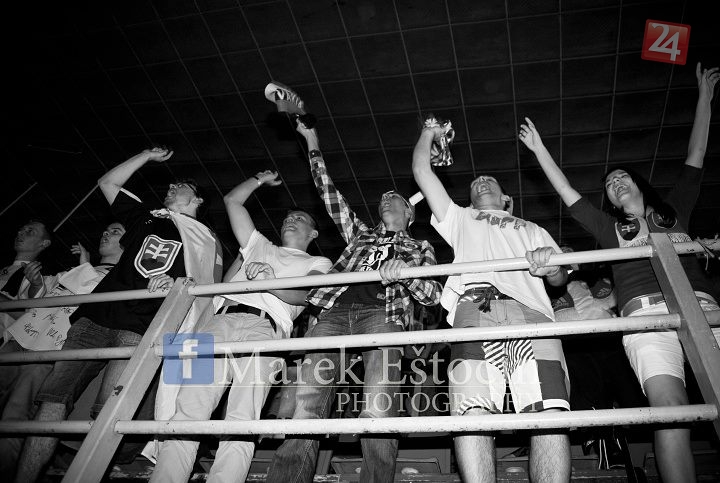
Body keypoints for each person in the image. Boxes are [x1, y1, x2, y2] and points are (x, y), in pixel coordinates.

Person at [519, 62, 719, 483]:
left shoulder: (675, 211)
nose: (617, 182)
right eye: (610, 183)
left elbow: (696, 156)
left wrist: (705, 96)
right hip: (645, 317)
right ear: (609, 201)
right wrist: (538, 150)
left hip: (704, 310)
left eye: (623, 176)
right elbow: (568, 194)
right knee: (670, 411)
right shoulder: (608, 229)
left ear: (640, 184)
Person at [14, 147, 222, 483]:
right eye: (170, 185)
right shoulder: (148, 218)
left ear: (197, 199)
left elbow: (204, 291)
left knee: (109, 413)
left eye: (180, 186)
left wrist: (177, 285)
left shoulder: (205, 238)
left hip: (141, 327)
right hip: (96, 317)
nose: (170, 188)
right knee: (52, 401)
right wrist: (145, 156)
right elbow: (108, 183)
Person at [265, 114, 442, 483]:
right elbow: (327, 191)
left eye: (393, 198)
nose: (385, 200)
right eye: (382, 199)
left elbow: (433, 296)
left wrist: (406, 275)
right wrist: (312, 140)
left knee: (378, 407)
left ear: (409, 211)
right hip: (334, 314)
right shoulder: (361, 235)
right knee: (306, 406)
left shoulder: (420, 246)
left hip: (383, 315)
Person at [412, 121, 571, 483]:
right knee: (473, 414)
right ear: (469, 199)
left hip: (532, 313)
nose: (482, 181)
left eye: (490, 181)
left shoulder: (533, 229)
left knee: (549, 413)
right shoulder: (460, 217)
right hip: (474, 309)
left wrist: (551, 268)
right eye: (475, 183)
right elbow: (421, 171)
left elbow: (561, 279)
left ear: (506, 199)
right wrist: (428, 132)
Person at [150, 170, 332, 483]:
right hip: (218, 324)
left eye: (300, 218)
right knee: (188, 407)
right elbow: (233, 201)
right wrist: (259, 180)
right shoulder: (258, 243)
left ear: (313, 233)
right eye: (288, 217)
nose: (291, 220)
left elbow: (307, 297)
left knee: (243, 414)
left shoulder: (319, 262)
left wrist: (269, 282)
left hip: (265, 329)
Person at [0, 223, 125, 477]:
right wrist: (36, 284)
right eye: (105, 230)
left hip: (49, 353)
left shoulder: (122, 277)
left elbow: (96, 302)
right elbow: (37, 302)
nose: (105, 233)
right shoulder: (73, 270)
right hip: (19, 340)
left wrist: (84, 266)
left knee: (14, 418)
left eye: (115, 232)